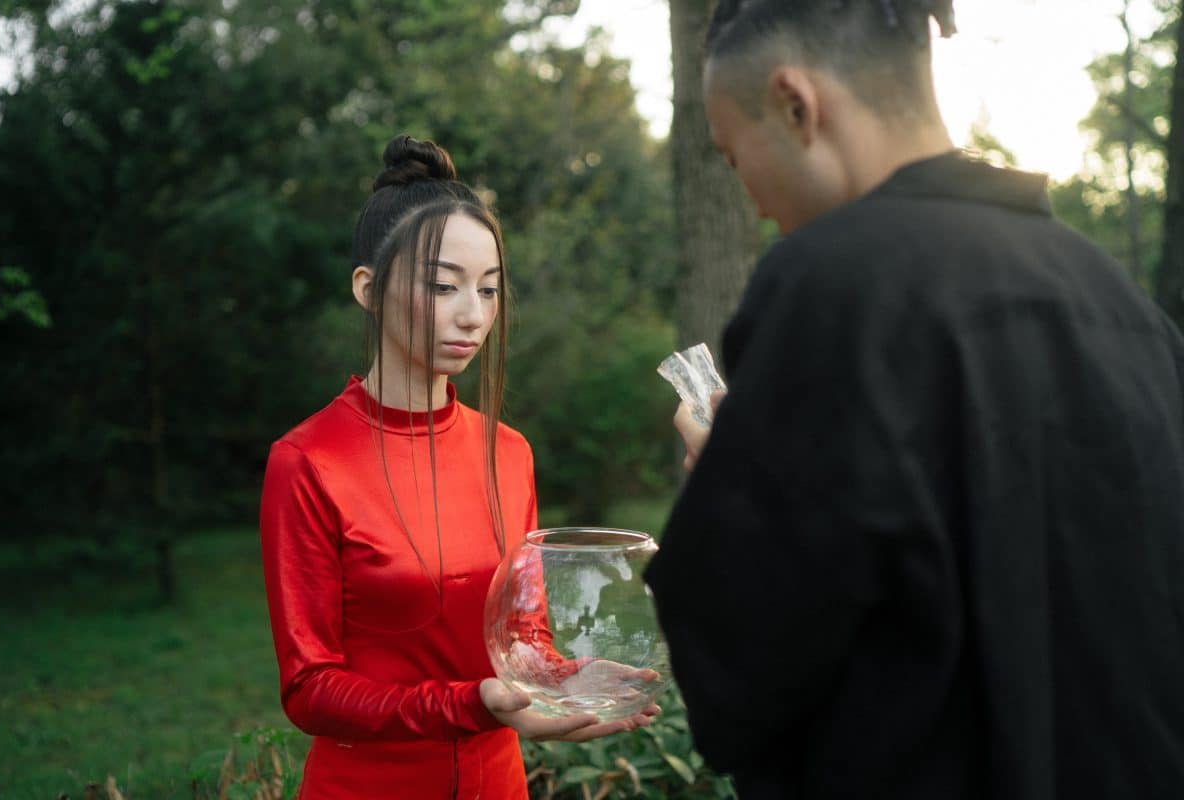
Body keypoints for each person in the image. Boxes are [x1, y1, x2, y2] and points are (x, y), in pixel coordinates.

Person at [642, 2, 1184, 798]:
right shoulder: (1120, 304)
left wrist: (722, 472)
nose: (752, 200)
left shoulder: (832, 285)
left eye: (732, 155)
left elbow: (744, 668)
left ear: (797, 104)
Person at [259, 135, 656, 799]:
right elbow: (309, 691)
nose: (473, 315)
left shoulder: (509, 452)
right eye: (444, 286)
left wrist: (562, 691)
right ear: (368, 288)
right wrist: (472, 703)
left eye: (489, 289)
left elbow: (522, 639)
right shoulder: (309, 461)